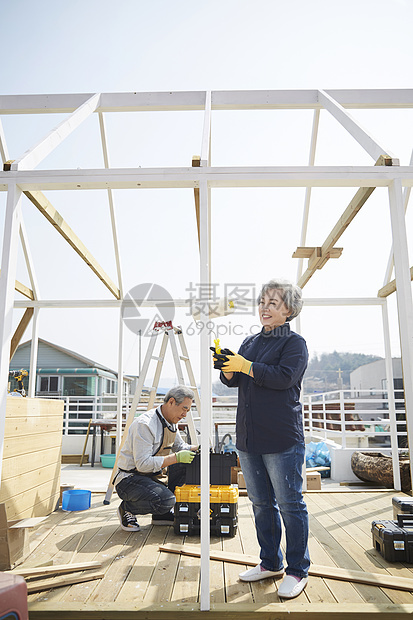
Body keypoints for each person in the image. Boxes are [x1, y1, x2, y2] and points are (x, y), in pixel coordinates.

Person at [212, 278, 310, 600]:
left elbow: (283, 379)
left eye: (273, 303)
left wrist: (247, 366)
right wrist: (227, 368)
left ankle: (297, 570)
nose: (264, 308)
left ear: (289, 310)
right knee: (260, 503)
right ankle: (270, 562)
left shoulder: (294, 343)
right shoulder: (250, 341)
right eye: (262, 302)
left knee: (290, 504)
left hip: (282, 437)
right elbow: (233, 381)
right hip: (249, 436)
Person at [114, 385, 198, 531]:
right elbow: (143, 464)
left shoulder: (171, 421)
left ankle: (162, 515)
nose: (185, 414)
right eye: (184, 409)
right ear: (171, 402)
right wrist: (176, 457)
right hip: (130, 479)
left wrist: (198, 448)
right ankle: (127, 508)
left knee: (191, 463)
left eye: (188, 410)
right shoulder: (145, 424)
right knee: (166, 500)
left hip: (153, 476)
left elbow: (180, 447)